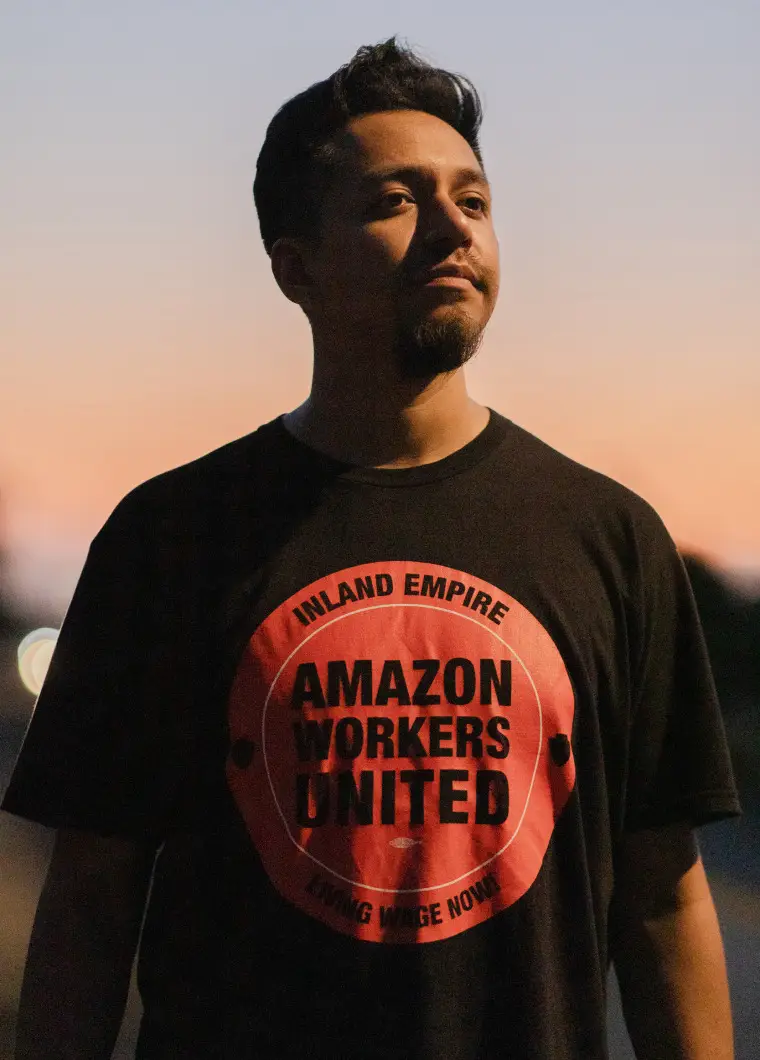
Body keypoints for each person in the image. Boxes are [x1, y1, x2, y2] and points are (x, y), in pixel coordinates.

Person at [3, 38, 740, 1060]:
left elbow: (662, 897)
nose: (451, 229)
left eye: (473, 201)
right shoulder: (171, 536)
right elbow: (89, 901)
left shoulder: (609, 538)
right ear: (293, 267)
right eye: (397, 199)